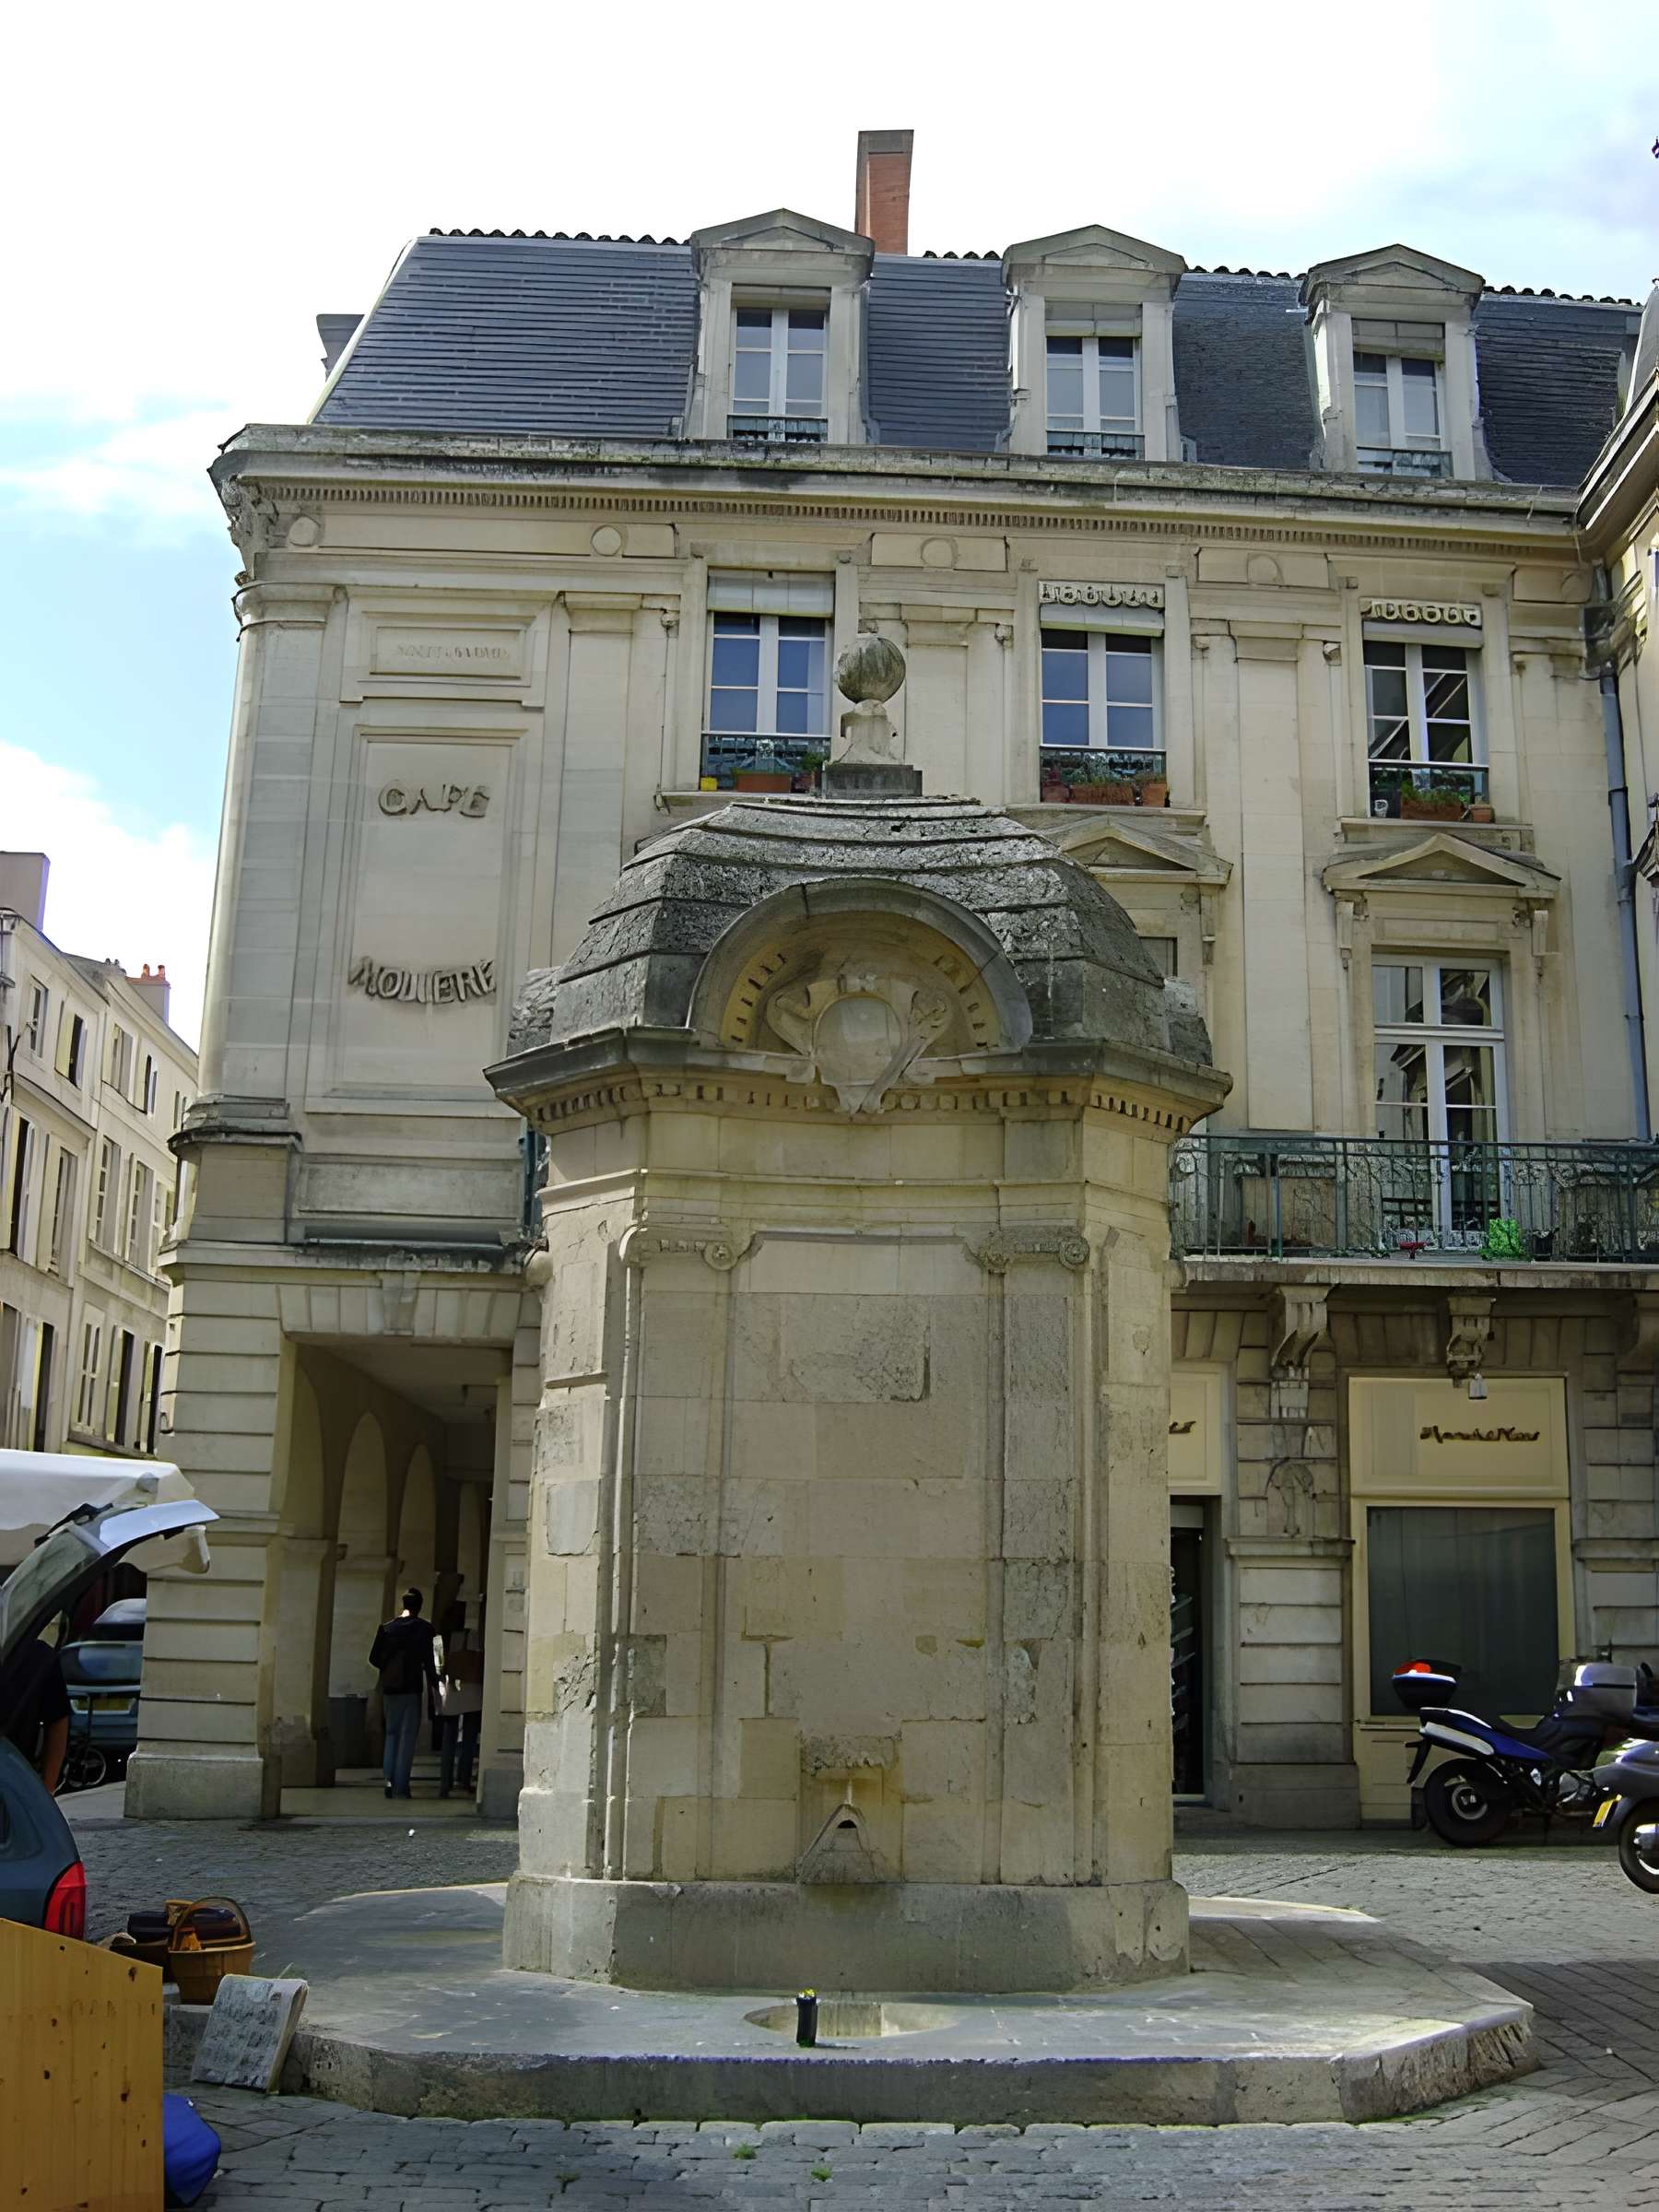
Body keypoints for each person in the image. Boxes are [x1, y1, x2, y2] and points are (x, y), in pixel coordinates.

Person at [370, 1589, 438, 1799]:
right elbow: (435, 1661)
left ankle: (389, 1781)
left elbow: (374, 1658)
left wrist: (389, 1668)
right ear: (420, 1606)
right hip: (412, 1688)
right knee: (407, 1738)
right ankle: (401, 1785)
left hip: (391, 1688)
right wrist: (437, 1684)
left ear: (404, 1603)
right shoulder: (426, 1629)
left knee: (391, 1734)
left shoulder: (387, 1628)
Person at [0, 1631, 70, 1794]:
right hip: (17, 1777)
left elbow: (58, 1720)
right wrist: (46, 1789)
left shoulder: (40, 1657)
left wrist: (46, 1789)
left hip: (16, 1777)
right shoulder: (40, 1656)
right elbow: (58, 1722)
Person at [436, 1600, 484, 1800]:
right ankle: (463, 1778)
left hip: (452, 1690)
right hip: (473, 1689)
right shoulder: (473, 1636)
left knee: (448, 1739)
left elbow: (437, 1668)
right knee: (470, 1737)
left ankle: (444, 1783)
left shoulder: (439, 1639)